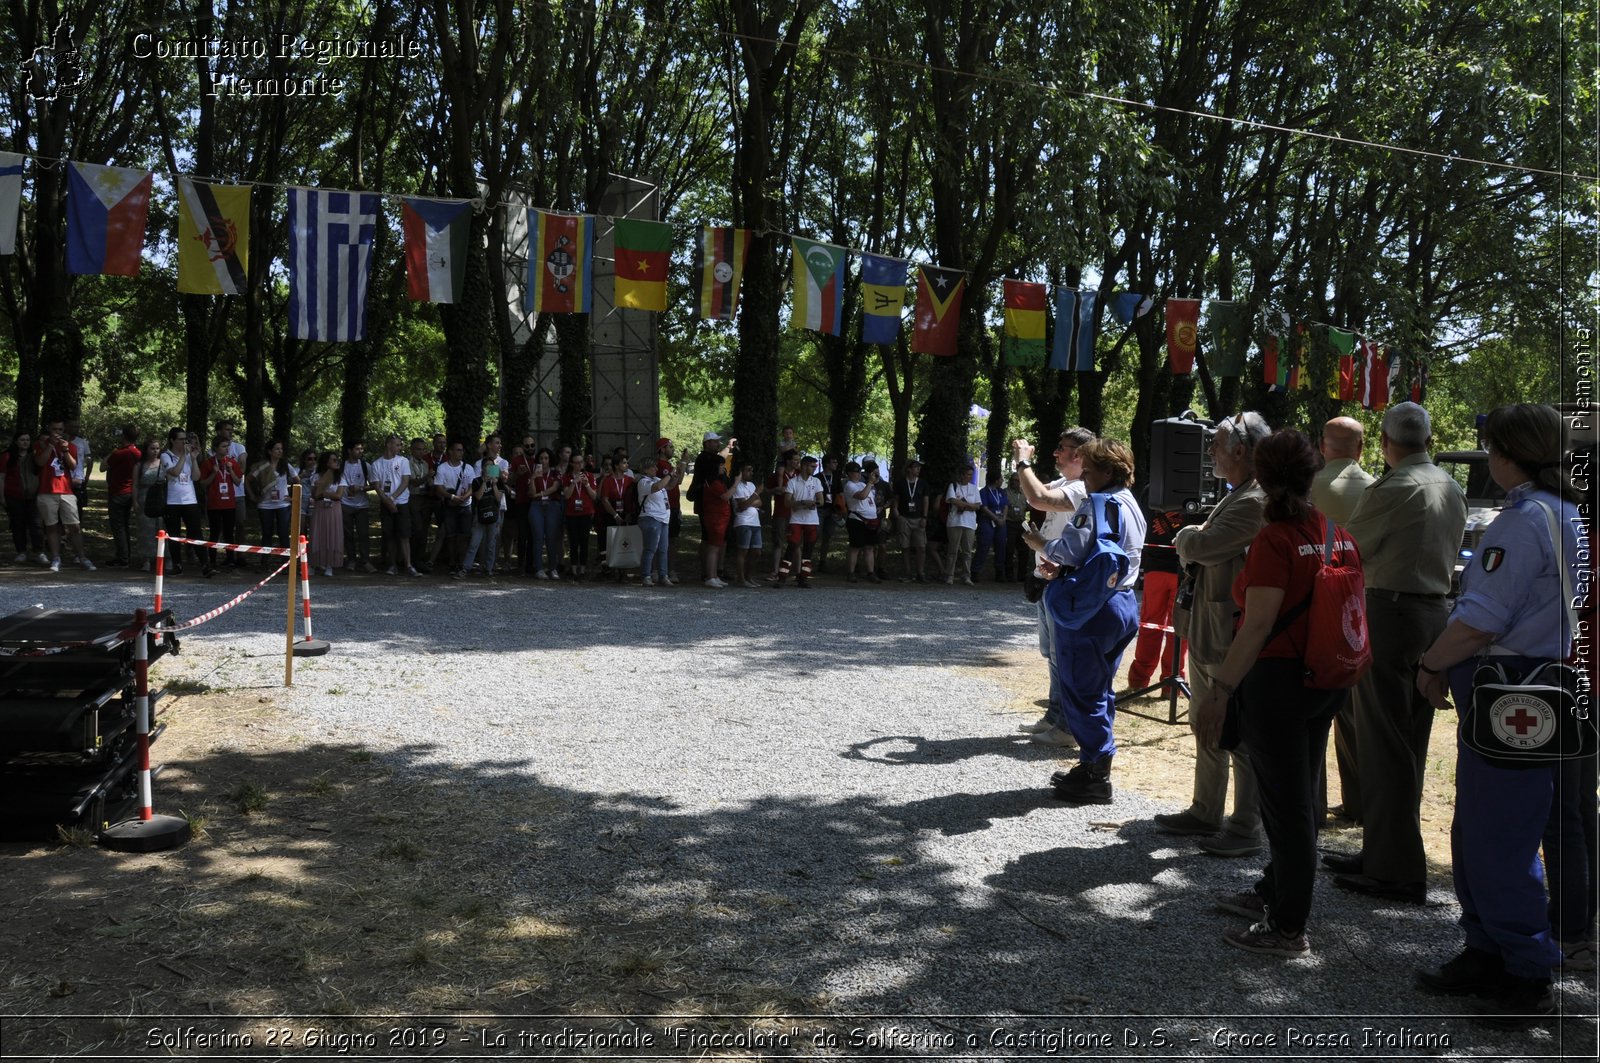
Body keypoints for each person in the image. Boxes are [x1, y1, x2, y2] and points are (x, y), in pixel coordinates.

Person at [1413, 404, 1584, 1022]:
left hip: (1509, 685)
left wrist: (1430, 663)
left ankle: (1524, 970)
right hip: (1538, 686)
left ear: (1508, 453)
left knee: (1497, 834)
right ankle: (1487, 949)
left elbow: (1482, 620)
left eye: (1491, 447)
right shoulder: (1567, 514)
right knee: (1486, 826)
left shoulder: (1524, 519)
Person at [1191, 429, 1361, 958]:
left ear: (1261, 477)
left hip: (1279, 683)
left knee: (1286, 808)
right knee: (1303, 795)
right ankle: (1272, 891)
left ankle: (1288, 926)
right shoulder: (1336, 532)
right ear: (1312, 476)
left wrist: (1219, 690)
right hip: (1325, 679)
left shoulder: (1275, 540)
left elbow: (1257, 625)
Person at [1334, 402, 1467, 905]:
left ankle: (1393, 868)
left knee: (1385, 743)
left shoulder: (1395, 487)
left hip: (1391, 614)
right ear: (1428, 440)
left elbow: (1350, 548)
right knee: (1407, 740)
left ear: (1387, 444)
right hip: (1430, 614)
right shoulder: (1448, 485)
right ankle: (1384, 853)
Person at [1155, 412, 1268, 858]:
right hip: (1208, 626)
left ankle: (1244, 826)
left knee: (1234, 729)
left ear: (1240, 452)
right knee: (1203, 719)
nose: (1210, 452)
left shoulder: (1254, 500)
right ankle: (1205, 810)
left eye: (1216, 445)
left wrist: (1188, 535)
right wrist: (1195, 539)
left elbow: (1200, 547)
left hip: (1228, 631)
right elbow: (1202, 547)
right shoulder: (1239, 494)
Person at [1021, 438, 1145, 804]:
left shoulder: (1098, 504)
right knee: (1100, 689)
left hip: (1092, 608)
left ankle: (1096, 772)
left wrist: (1038, 542)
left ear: (1108, 471)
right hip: (1122, 602)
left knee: (1081, 690)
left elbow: (1069, 548)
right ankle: (1092, 763)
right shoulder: (1131, 503)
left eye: (1090, 470)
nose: (1085, 476)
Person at [1012, 428, 1095, 746]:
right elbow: (1037, 491)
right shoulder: (1067, 484)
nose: (1056, 453)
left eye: (1063, 448)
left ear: (1080, 454)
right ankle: (1054, 717)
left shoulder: (1081, 490)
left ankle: (1065, 726)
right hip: (1049, 579)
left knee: (1063, 656)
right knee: (1053, 654)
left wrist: (1022, 462)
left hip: (1063, 579)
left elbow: (1037, 498)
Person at [1312, 415, 1375, 822]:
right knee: (1355, 714)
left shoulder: (1309, 488)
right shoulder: (1377, 489)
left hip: (1317, 604)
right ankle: (1357, 801)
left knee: (1314, 710)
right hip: (1361, 606)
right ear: (1362, 448)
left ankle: (1312, 803)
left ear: (1322, 446)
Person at [1126, 506, 1188, 693]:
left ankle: (1151, 681)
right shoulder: (1202, 488)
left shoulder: (1154, 487)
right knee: (1169, 628)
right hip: (1168, 566)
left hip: (1173, 569)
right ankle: (1160, 683)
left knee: (1168, 627)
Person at [33, 420, 94, 572]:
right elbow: (40, 462)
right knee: (52, 526)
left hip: (66, 491)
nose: (57, 432)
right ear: (49, 429)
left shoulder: (70, 446)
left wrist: (65, 451)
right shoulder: (40, 445)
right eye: (54, 429)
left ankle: (81, 557)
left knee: (75, 526)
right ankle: (55, 558)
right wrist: (51, 446)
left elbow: (73, 466)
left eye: (60, 429)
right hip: (46, 491)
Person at [458, 436, 509, 579]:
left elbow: (499, 498)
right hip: (480, 515)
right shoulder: (476, 481)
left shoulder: (497, 482)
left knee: (491, 543)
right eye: (486, 466)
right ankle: (466, 568)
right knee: (475, 542)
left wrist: (493, 483)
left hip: (494, 514)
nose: (488, 469)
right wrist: (484, 482)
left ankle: (489, 568)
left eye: (491, 466)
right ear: (482, 468)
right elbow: (478, 497)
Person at [773, 454, 824, 587]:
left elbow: (821, 501)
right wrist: (802, 503)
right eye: (812, 466)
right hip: (796, 520)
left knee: (808, 550)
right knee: (792, 546)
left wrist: (814, 503)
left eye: (815, 466)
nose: (814, 469)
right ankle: (782, 577)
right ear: (805, 466)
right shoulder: (792, 482)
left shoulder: (816, 482)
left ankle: (803, 578)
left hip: (812, 521)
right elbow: (787, 503)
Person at [371, 433, 418, 576]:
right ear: (389, 444)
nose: (400, 447)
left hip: (401, 502)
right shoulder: (376, 464)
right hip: (386, 504)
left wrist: (392, 498)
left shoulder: (403, 461)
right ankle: (392, 565)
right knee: (389, 534)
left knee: (404, 534)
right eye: (397, 444)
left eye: (400, 444)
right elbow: (377, 486)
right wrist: (386, 501)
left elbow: (405, 482)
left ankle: (408, 565)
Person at [638, 446, 684, 586]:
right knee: (651, 548)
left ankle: (663, 575)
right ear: (645, 469)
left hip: (663, 518)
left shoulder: (657, 478)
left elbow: (668, 487)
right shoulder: (643, 482)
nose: (656, 469)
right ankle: (646, 575)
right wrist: (669, 475)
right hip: (650, 518)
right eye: (653, 468)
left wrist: (674, 477)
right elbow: (657, 487)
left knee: (663, 549)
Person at [246, 440, 296, 567]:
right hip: (265, 504)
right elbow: (247, 480)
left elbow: (297, 480)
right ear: (270, 451)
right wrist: (252, 496)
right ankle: (265, 562)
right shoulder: (261, 466)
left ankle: (286, 562)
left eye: (281, 449)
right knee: (267, 533)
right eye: (277, 449)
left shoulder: (285, 465)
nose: (280, 451)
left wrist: (291, 496)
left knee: (283, 533)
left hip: (283, 505)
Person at [198, 435, 243, 575]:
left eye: (227, 446)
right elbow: (203, 484)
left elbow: (237, 482)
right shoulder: (208, 463)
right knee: (214, 533)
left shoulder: (232, 463)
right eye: (223, 446)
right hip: (214, 504)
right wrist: (214, 472)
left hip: (229, 503)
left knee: (229, 533)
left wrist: (230, 471)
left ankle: (230, 560)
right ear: (216, 448)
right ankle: (212, 561)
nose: (226, 449)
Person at [1, 430, 45, 564]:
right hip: (13, 495)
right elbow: (1, 477)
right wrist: (1, 497)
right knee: (17, 524)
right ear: (16, 442)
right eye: (22, 440)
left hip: (33, 496)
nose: (25, 442)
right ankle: (21, 551)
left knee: (36, 524)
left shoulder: (35, 456)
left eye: (27, 440)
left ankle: (39, 552)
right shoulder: (7, 456)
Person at [102, 427, 142, 568]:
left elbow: (102, 467)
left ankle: (122, 557)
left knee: (118, 526)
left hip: (118, 493)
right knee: (124, 525)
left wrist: (112, 452)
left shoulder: (119, 453)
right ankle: (126, 555)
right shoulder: (138, 453)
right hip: (130, 493)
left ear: (123, 437)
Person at [432, 441, 474, 574]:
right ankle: (451, 562)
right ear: (450, 452)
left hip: (465, 506)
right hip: (450, 506)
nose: (460, 452)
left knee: (464, 535)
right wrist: (452, 497)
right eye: (457, 450)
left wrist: (464, 497)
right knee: (450, 535)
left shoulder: (468, 468)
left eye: (462, 450)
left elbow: (473, 486)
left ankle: (461, 563)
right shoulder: (442, 468)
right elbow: (438, 488)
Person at [525, 448, 563, 579]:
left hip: (552, 505)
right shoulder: (534, 473)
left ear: (550, 459)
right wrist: (533, 478)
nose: (544, 461)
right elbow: (531, 493)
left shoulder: (555, 473)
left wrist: (540, 494)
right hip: (537, 506)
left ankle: (553, 568)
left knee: (552, 538)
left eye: (546, 458)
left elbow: (555, 488)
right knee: (538, 537)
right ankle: (539, 568)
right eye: (541, 458)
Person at [339, 440, 375, 573]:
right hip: (345, 504)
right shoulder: (341, 466)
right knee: (348, 534)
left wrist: (360, 488)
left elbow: (374, 484)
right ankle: (351, 560)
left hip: (362, 505)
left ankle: (365, 561)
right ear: (349, 450)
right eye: (357, 449)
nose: (360, 451)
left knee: (363, 534)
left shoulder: (366, 465)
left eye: (361, 449)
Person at [308, 452, 346, 577]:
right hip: (320, 508)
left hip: (334, 509)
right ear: (326, 462)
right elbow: (314, 495)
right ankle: (314, 564)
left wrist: (324, 493)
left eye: (337, 460)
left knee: (332, 535)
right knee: (317, 534)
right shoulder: (317, 476)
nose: (336, 462)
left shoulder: (340, 477)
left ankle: (329, 565)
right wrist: (320, 491)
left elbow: (339, 495)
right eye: (333, 460)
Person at [943, 462, 981, 584]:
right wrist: (969, 505)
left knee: (967, 551)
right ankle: (949, 575)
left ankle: (966, 576)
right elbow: (953, 500)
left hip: (969, 523)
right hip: (955, 522)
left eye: (971, 475)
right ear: (961, 475)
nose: (969, 477)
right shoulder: (953, 486)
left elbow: (977, 506)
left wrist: (964, 505)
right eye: (967, 474)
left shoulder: (974, 488)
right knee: (953, 550)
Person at [561, 452, 597, 579]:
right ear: (571, 463)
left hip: (586, 513)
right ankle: (574, 568)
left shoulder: (590, 476)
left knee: (584, 541)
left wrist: (586, 484)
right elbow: (566, 496)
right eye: (576, 462)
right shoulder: (567, 477)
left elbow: (594, 496)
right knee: (574, 541)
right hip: (572, 513)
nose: (578, 465)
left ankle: (583, 569)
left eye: (581, 462)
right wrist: (573, 482)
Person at [893, 459, 930, 581]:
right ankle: (908, 572)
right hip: (904, 518)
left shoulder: (923, 483)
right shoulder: (900, 483)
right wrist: (896, 512)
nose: (918, 469)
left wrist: (924, 517)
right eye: (916, 467)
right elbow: (896, 499)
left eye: (919, 467)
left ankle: (921, 573)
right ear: (909, 469)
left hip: (919, 518)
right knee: (905, 546)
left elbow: (926, 501)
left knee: (921, 547)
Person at [729, 463, 765, 588]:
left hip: (755, 521)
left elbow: (759, 502)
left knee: (757, 551)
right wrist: (754, 495)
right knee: (743, 550)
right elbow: (742, 506)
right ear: (741, 472)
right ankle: (741, 578)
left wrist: (750, 500)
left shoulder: (751, 485)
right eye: (748, 470)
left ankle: (749, 576)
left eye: (752, 470)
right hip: (743, 521)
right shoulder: (737, 486)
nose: (751, 472)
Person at [131, 438, 163, 571]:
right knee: (146, 530)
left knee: (162, 527)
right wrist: (135, 502)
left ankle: (165, 558)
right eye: (152, 448)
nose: (155, 451)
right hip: (144, 498)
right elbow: (135, 485)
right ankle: (146, 559)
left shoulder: (163, 463)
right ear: (146, 450)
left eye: (157, 448)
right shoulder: (139, 466)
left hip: (160, 498)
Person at [972, 470, 1009, 581]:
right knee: (984, 546)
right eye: (1001, 479)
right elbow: (984, 508)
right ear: (996, 480)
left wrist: (1003, 519)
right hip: (987, 521)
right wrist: (996, 519)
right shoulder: (984, 492)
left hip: (1001, 522)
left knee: (1001, 547)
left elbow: (1006, 506)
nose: (1002, 481)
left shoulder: (1001, 492)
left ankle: (999, 572)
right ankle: (975, 572)